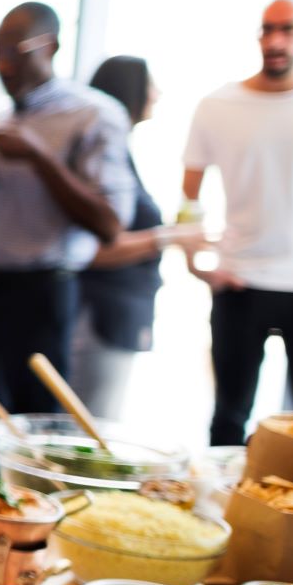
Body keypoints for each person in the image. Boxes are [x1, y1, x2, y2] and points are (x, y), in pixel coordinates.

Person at [0, 2, 135, 441]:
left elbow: (111, 223)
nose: (4, 64)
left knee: (34, 432)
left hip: (43, 293)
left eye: (15, 51)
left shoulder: (94, 115)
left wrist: (40, 158)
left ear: (51, 46)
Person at [183, 0, 293, 445]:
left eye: (287, 29)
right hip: (242, 278)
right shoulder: (218, 104)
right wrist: (196, 261)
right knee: (229, 415)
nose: (275, 40)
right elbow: (189, 196)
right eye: (267, 29)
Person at [71, 57, 203, 420]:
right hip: (100, 313)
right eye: (151, 85)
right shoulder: (101, 161)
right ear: (130, 91)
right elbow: (91, 251)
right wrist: (168, 237)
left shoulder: (119, 155)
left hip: (117, 314)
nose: (157, 94)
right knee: (89, 430)